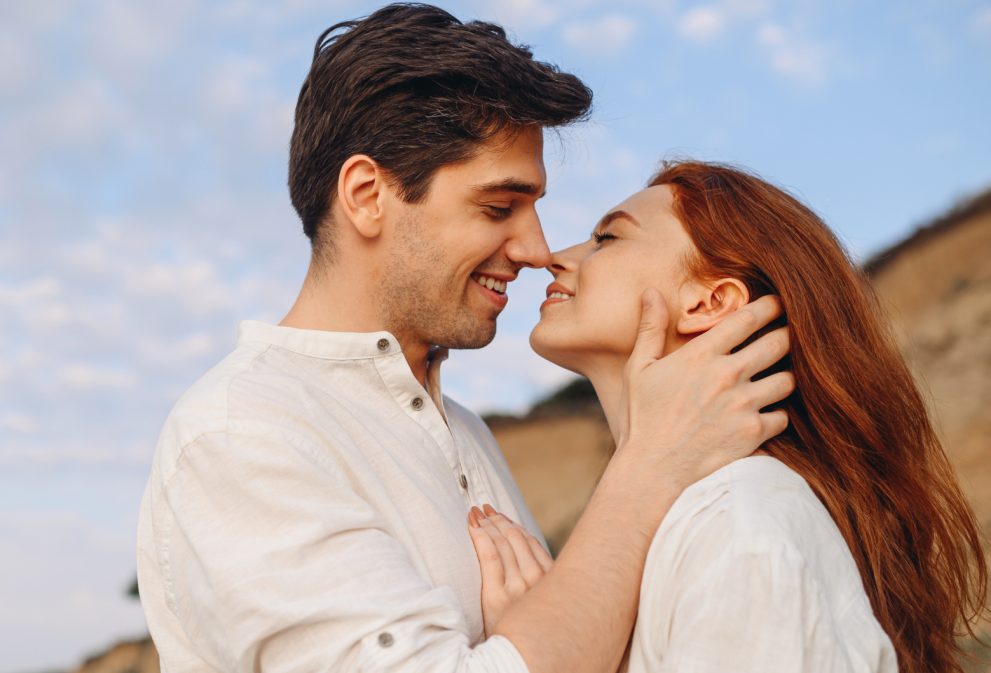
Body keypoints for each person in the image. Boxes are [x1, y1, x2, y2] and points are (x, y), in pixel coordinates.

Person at [135, 6, 794, 672]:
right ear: (367, 195)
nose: (536, 248)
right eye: (498, 207)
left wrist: (528, 632)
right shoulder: (240, 433)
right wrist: (648, 467)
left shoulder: (467, 433)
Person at [471, 160, 988, 673]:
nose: (553, 258)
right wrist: (555, 636)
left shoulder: (741, 524)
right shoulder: (689, 525)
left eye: (607, 239)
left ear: (710, 302)